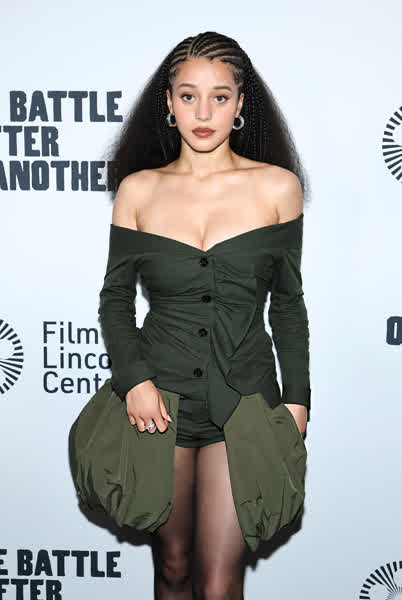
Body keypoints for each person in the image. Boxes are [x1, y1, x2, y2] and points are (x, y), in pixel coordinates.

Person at [99, 30, 311, 599]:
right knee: (172, 567)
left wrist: (298, 400)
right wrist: (134, 380)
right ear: (168, 103)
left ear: (240, 105)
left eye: (220, 97)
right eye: (188, 95)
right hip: (158, 402)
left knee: (219, 584)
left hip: (244, 402)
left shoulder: (277, 188)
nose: (203, 112)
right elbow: (115, 300)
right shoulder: (138, 191)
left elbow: (288, 303)